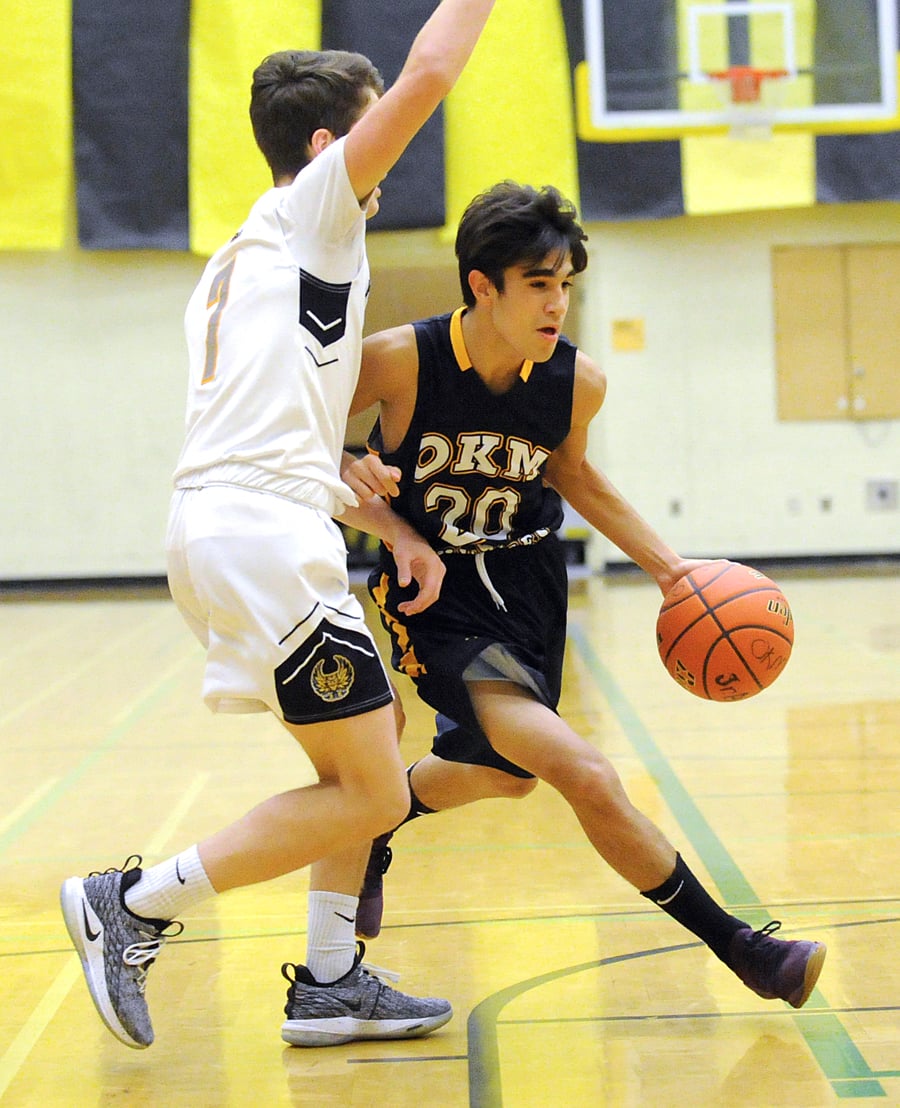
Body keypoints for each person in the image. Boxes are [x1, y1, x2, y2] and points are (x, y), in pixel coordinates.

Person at [59, 0, 500, 1052]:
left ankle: (332, 982)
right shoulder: (318, 210)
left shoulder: (235, 261)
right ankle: (136, 901)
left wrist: (378, 513)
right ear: (324, 146)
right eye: (365, 123)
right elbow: (432, 71)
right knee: (375, 787)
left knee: (368, 754)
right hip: (261, 538)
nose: (383, 142)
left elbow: (269, 427)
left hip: (227, 523)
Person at [345, 180, 827, 1009]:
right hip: (438, 598)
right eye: (538, 283)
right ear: (482, 285)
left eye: (565, 284)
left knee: (505, 775)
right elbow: (287, 431)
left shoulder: (576, 383)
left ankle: (378, 819)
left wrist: (671, 569)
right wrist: (356, 480)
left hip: (530, 591)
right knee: (583, 771)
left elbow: (571, 472)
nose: (557, 302)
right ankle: (747, 951)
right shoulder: (401, 359)